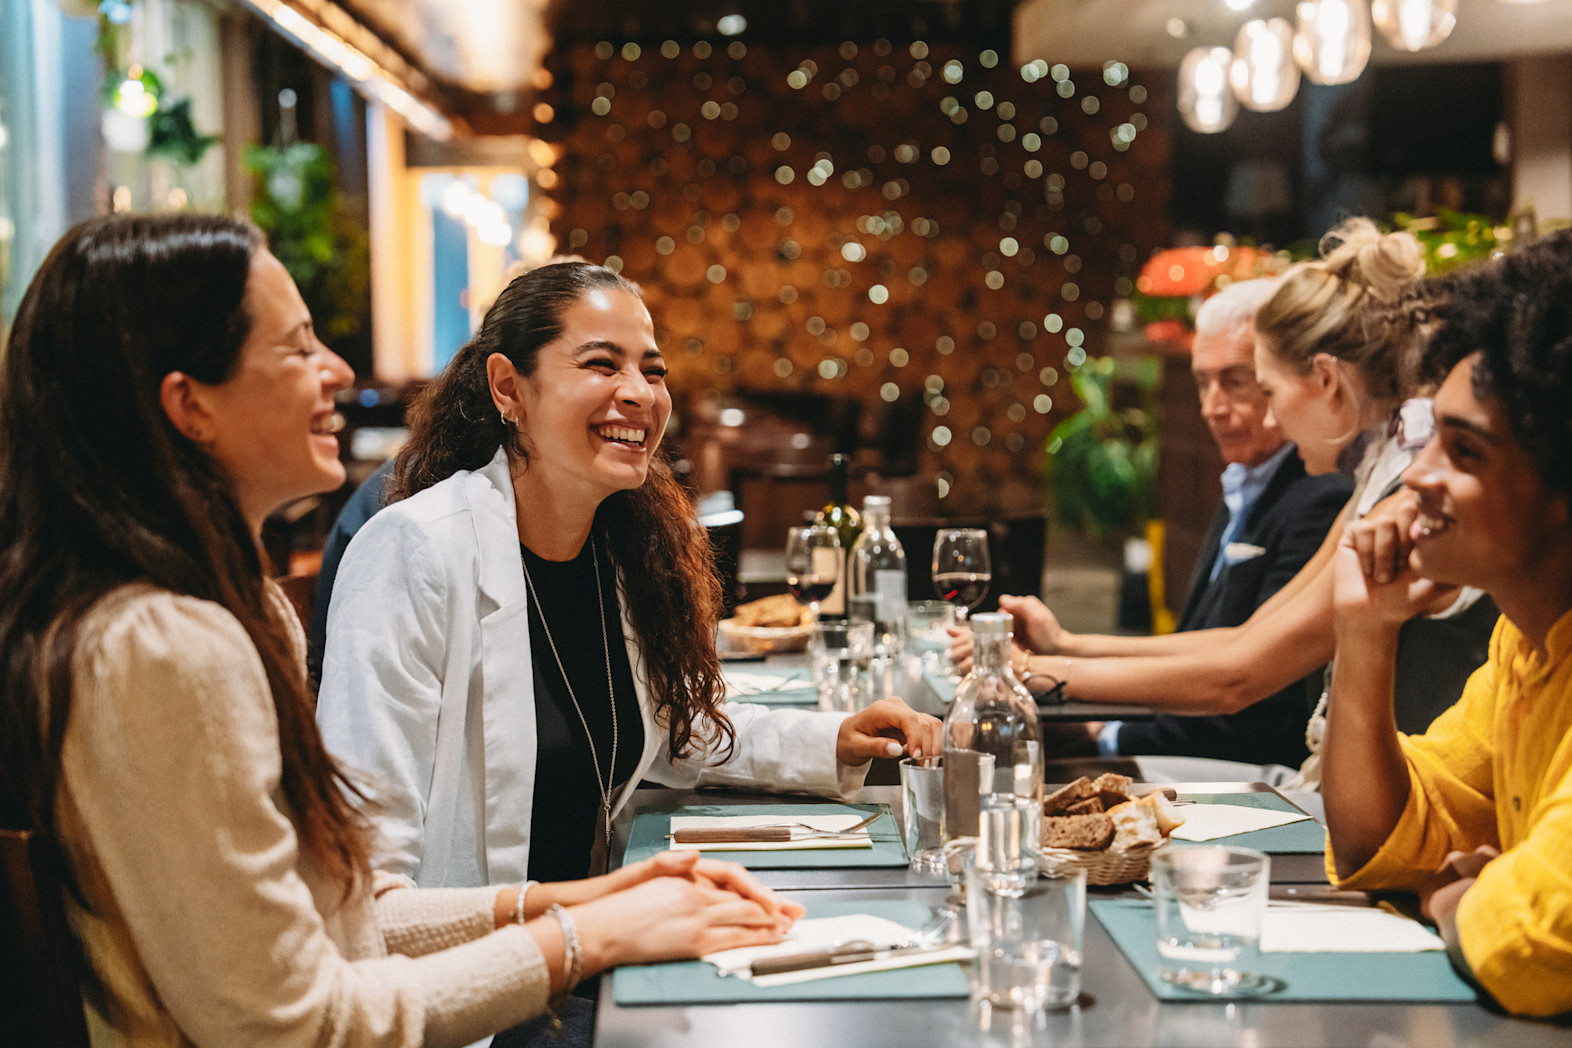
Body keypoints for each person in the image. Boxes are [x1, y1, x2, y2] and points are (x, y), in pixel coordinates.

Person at [0, 214, 801, 1046]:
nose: (338, 370)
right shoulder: (159, 649)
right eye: (299, 346)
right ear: (190, 404)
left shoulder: (235, 611)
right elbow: (293, 1024)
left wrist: (586, 899)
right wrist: (585, 938)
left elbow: (346, 926)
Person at [317, 261, 941, 889]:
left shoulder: (615, 545)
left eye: (653, 370)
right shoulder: (414, 552)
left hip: (587, 940)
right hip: (481, 965)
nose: (640, 392)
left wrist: (836, 737)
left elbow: (673, 727)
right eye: (601, 364)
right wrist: (591, 926)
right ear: (508, 388)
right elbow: (366, 873)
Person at [959, 219, 1494, 788]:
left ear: (1327, 380)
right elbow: (1245, 639)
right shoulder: (1377, 475)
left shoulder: (1403, 491)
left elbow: (1238, 677)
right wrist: (1066, 647)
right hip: (1350, 782)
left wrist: (1034, 672)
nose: (1269, 417)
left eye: (1265, 390)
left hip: (1411, 794)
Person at [1323, 231, 1572, 1017]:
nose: (1419, 474)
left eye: (1464, 452)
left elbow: (1535, 940)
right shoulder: (1526, 648)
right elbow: (1381, 839)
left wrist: (1454, 898)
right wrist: (1365, 632)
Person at [1091, 278, 1353, 770]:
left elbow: (1246, 690)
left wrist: (1099, 724)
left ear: (1318, 379)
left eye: (1237, 381)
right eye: (1202, 382)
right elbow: (1216, 649)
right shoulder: (1245, 480)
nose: (1211, 406)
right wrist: (1061, 658)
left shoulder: (1325, 494)